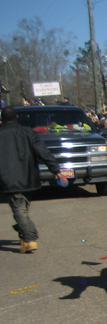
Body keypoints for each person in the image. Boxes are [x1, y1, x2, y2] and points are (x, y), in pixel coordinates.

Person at [0, 106, 67, 253]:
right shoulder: (27, 132)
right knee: (22, 207)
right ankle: (24, 234)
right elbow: (43, 151)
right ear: (16, 117)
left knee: (19, 208)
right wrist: (56, 170)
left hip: (7, 178)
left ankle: (30, 239)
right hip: (28, 176)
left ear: (2, 119)